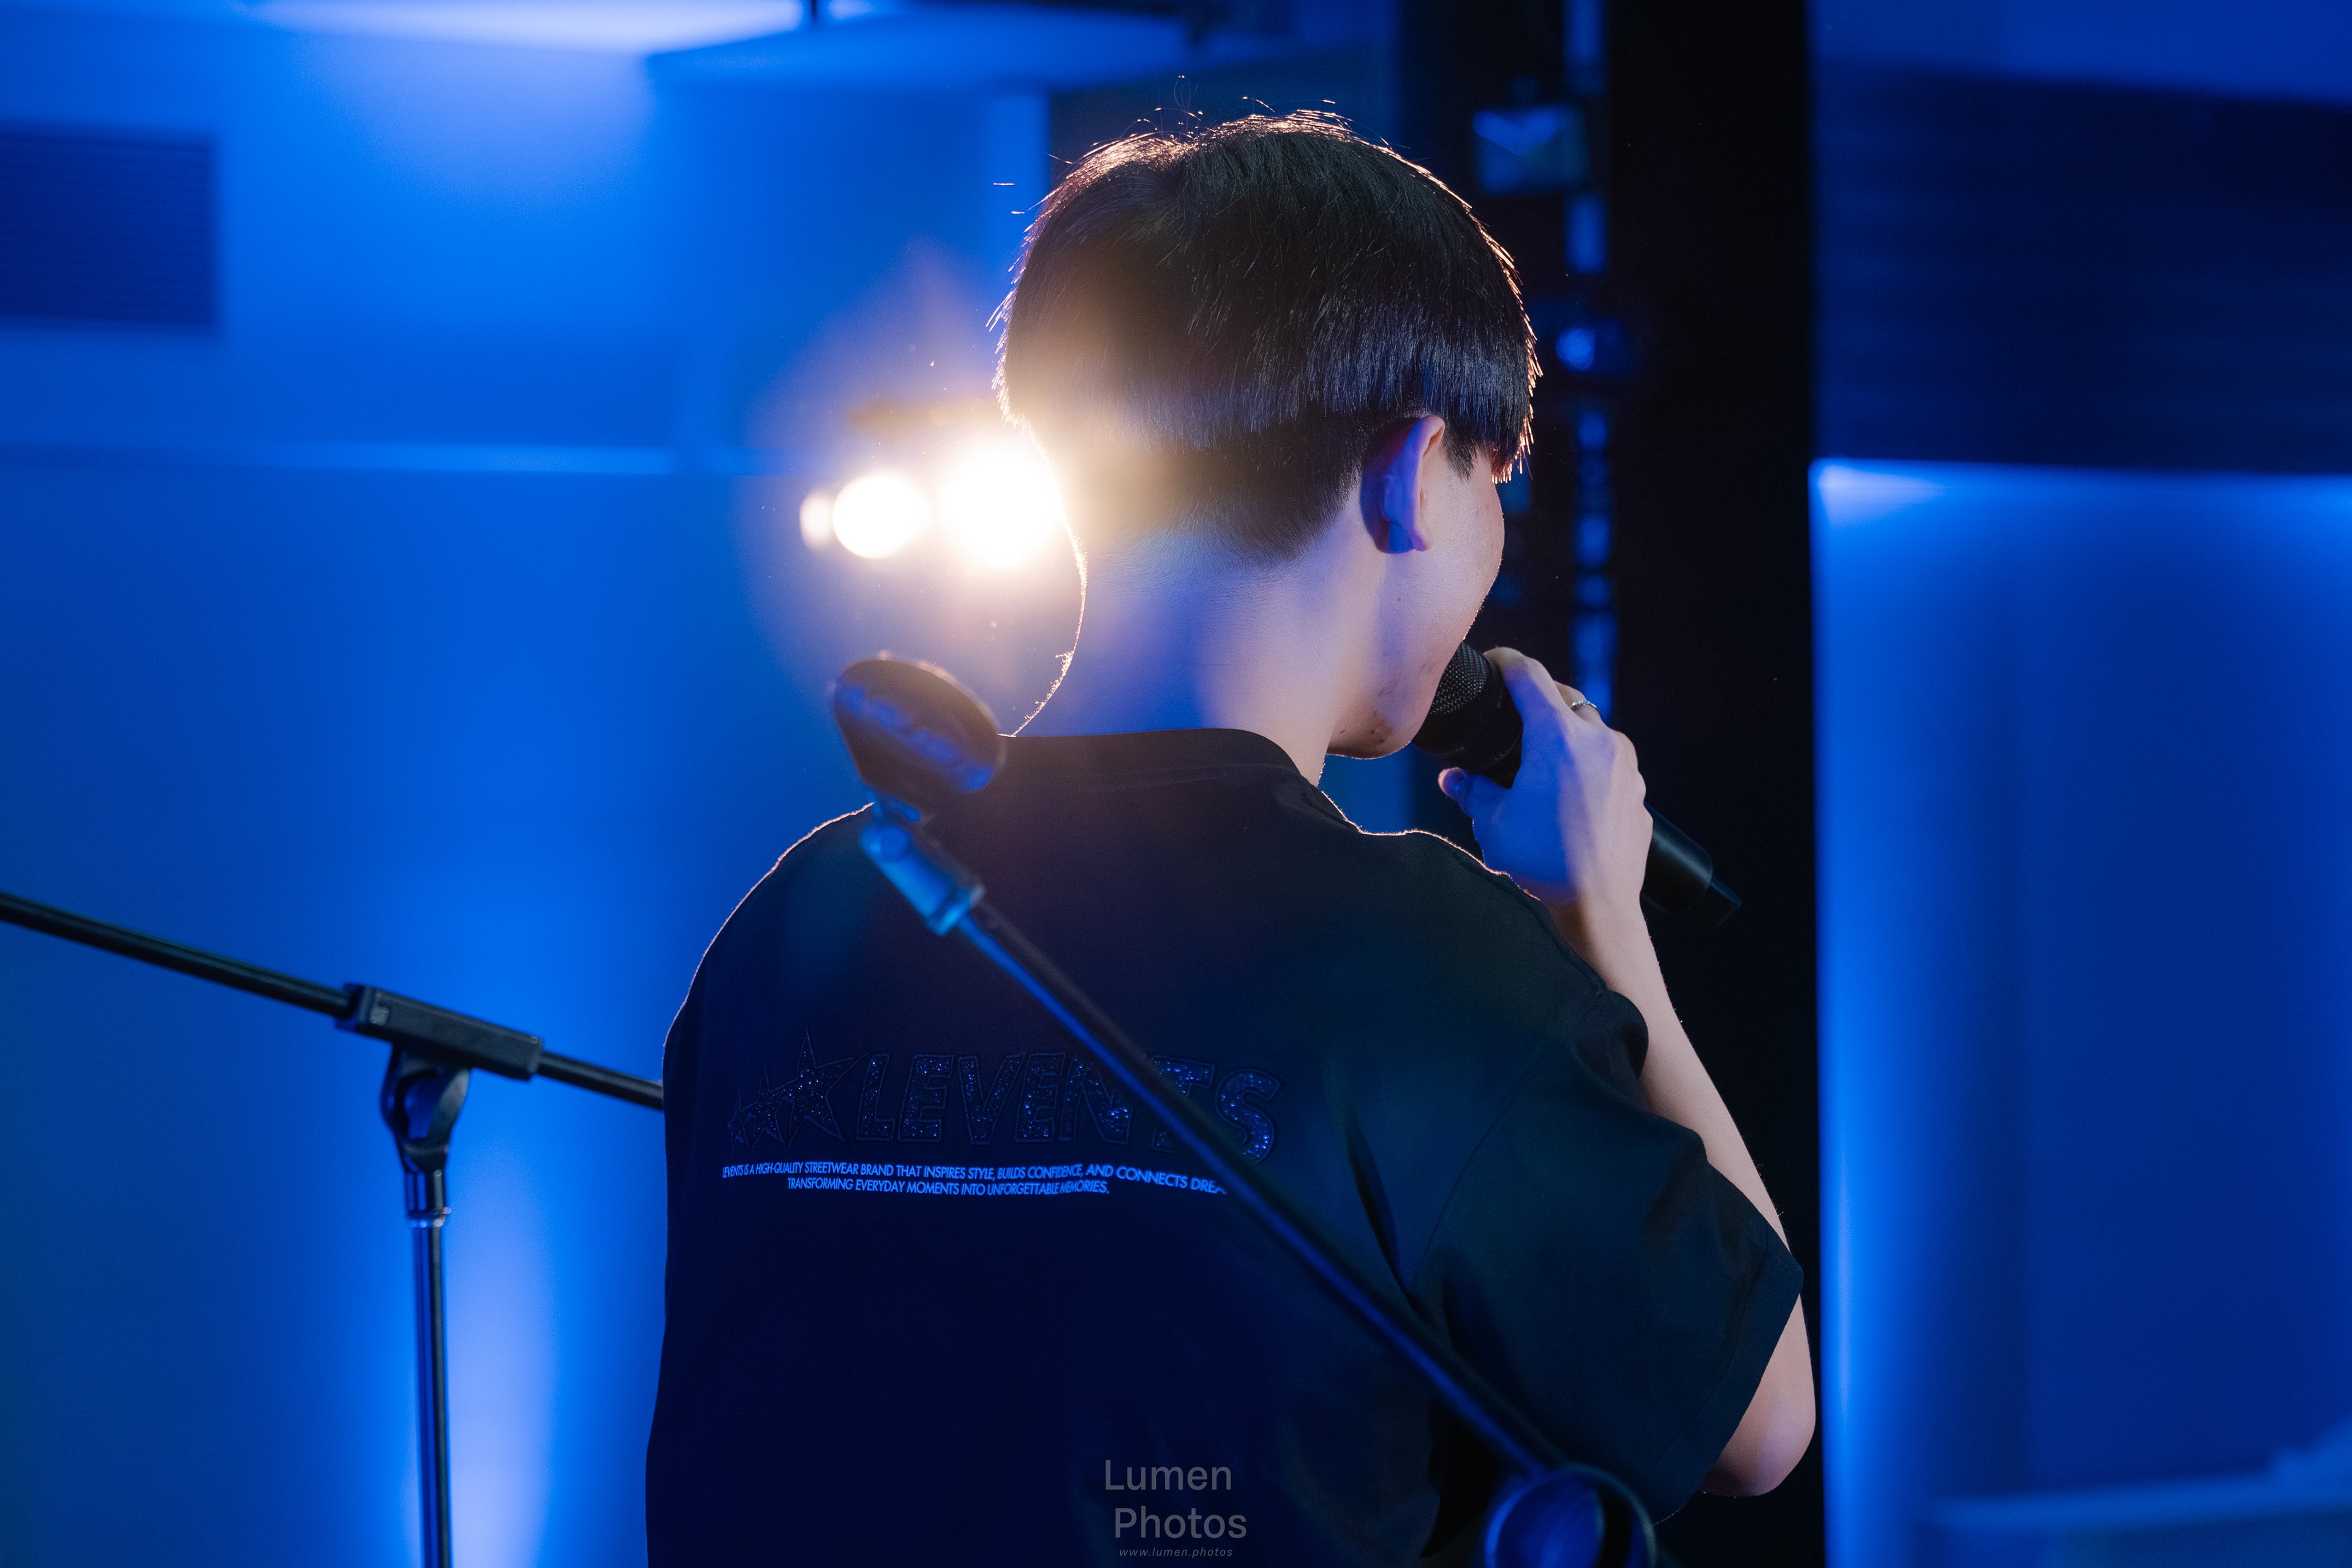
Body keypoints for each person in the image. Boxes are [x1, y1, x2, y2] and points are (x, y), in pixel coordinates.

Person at [646, 112, 1811, 1566]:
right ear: (1411, 472)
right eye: (1494, 483)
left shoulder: (806, 910)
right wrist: (1601, 922)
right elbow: (1758, 1419)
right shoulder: (1426, 959)